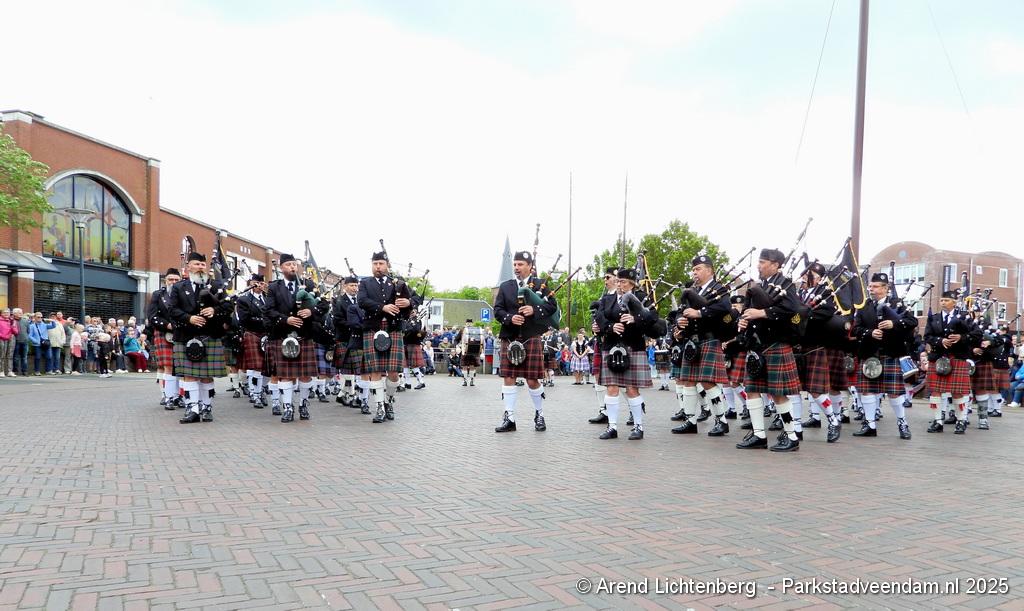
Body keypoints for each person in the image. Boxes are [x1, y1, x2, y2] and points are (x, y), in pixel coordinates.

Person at [735, 248, 805, 452]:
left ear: (776, 265)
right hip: (757, 345)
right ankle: (759, 435)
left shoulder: (786, 284)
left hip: (776, 344)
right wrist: (743, 321)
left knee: (778, 393)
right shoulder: (760, 286)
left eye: (763, 262)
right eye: (759, 262)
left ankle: (791, 436)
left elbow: (793, 310)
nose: (759, 266)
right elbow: (748, 311)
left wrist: (763, 313)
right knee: (752, 390)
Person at [493, 250, 557, 433]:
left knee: (532, 380)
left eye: (520, 264)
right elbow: (498, 310)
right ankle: (509, 418)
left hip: (531, 336)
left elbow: (552, 306)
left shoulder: (540, 284)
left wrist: (534, 310)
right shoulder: (506, 286)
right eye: (515, 264)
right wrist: (509, 318)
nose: (516, 267)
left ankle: (539, 414)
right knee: (509, 378)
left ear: (530, 266)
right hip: (510, 336)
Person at [670, 254, 733, 438]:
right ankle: (690, 421)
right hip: (692, 341)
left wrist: (700, 313)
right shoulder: (692, 290)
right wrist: (679, 323)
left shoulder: (719, 288)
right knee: (688, 381)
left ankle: (721, 421)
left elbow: (725, 308)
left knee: (707, 382)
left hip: (709, 339)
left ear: (709, 270)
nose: (694, 273)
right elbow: (680, 312)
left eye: (698, 269)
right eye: (693, 270)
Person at [168, 252, 234, 423]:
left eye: (203, 264)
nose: (200, 267)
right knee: (189, 376)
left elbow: (228, 306)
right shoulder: (178, 287)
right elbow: (172, 310)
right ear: (188, 266)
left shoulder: (216, 286)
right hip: (186, 336)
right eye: (197, 264)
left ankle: (206, 408)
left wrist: (215, 310)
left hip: (210, 335)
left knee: (206, 376)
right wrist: (188, 318)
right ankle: (192, 409)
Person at [593, 268, 659, 440]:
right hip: (611, 346)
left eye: (623, 282)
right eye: (618, 281)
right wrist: (610, 327)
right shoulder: (607, 299)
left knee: (631, 388)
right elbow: (599, 317)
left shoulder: (641, 297)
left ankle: (638, 426)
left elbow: (653, 318)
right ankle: (612, 427)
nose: (619, 284)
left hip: (633, 346)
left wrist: (635, 319)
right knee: (611, 387)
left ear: (632, 284)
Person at [850, 272, 917, 440]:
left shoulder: (897, 304)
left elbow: (912, 322)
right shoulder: (865, 306)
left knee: (894, 393)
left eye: (875, 286)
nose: (871, 289)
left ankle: (902, 423)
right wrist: (870, 332)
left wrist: (894, 323)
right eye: (870, 286)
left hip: (891, 353)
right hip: (870, 354)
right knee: (867, 391)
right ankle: (870, 425)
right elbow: (856, 329)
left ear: (885, 288)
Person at [263, 253, 328, 423]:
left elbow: (324, 305)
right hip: (283, 335)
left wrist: (311, 311)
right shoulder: (274, 287)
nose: (292, 267)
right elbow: (268, 310)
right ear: (281, 268)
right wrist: (285, 319)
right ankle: (288, 408)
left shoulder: (308, 284)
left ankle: (303, 405)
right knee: (285, 375)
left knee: (306, 375)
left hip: (304, 334)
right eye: (288, 264)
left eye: (294, 264)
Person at [357, 250, 416, 423]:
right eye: (375, 264)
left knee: (394, 372)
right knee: (375, 370)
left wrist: (409, 303)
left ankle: (389, 400)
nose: (378, 267)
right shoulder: (365, 283)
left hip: (393, 328)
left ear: (387, 265)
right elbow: (362, 301)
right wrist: (382, 307)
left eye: (381, 264)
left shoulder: (398, 283)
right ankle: (379, 407)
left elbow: (415, 299)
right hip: (372, 328)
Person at [923, 290, 980, 434]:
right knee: (935, 391)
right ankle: (938, 422)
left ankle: (961, 421)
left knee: (958, 392)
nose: (943, 303)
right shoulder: (934, 318)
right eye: (942, 300)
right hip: (938, 358)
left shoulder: (964, 317)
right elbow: (927, 336)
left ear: (954, 302)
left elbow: (977, 334)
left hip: (957, 357)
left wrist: (961, 337)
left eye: (946, 300)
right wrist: (940, 340)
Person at [148, 269, 183, 409]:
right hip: (164, 332)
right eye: (170, 279)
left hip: (182, 332)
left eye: (176, 280)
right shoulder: (158, 295)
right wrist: (167, 325)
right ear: (165, 281)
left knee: (181, 366)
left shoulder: (184, 295)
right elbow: (152, 316)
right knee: (168, 366)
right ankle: (169, 397)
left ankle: (179, 396)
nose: (173, 282)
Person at [236, 273, 270, 409]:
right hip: (252, 333)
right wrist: (264, 321)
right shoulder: (244, 299)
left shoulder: (267, 299)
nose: (259, 286)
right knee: (256, 366)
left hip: (266, 335)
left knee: (268, 366)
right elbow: (244, 319)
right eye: (257, 283)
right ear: (251, 283)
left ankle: (261, 389)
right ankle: (255, 394)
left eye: (262, 283)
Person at [455, 319, 483, 387]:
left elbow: (481, 340)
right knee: (464, 366)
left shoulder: (476, 330)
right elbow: (456, 340)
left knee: (472, 366)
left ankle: (472, 381)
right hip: (465, 350)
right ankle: (464, 381)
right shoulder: (462, 330)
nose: (469, 324)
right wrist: (457, 346)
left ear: (472, 324)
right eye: (468, 323)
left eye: (470, 323)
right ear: (466, 323)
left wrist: (482, 350)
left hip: (474, 351)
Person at [12, 308, 29, 376]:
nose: (20, 314)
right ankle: (15, 371)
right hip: (16, 341)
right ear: (14, 314)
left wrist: (26, 338)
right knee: (15, 357)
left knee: (24, 357)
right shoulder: (12, 321)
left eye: (21, 312)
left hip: (25, 341)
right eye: (18, 313)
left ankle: (24, 371)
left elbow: (28, 331)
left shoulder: (25, 321)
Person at [0, 308, 14, 377]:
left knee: (10, 356)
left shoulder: (11, 321)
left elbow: (16, 331)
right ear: (1, 313)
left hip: (10, 339)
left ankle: (9, 371)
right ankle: (1, 371)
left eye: (8, 312)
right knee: (2, 355)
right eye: (4, 312)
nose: (6, 314)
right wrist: (3, 336)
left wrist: (13, 325)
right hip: (1, 339)